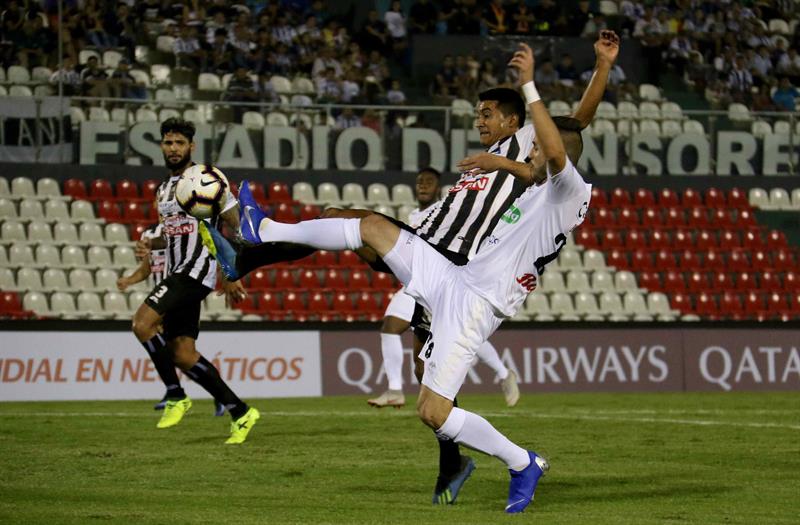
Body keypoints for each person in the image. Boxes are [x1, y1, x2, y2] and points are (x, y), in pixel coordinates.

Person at [200, 29, 619, 503]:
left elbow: (564, 141)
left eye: (537, 150)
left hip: (476, 301)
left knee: (433, 410)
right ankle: (263, 232)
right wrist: (597, 71)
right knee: (367, 225)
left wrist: (531, 84)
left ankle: (522, 463)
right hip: (452, 271)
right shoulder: (538, 179)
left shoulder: (568, 188)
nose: (533, 155)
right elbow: (543, 159)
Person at [131, 118, 259, 444]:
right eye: (168, 142)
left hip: (196, 270)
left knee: (142, 324)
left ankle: (175, 394)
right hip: (177, 270)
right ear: (161, 146)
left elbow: (232, 224)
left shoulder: (207, 178)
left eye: (179, 143)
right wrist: (150, 245)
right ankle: (240, 411)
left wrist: (231, 271)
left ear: (191, 146)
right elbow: (172, 234)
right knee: (183, 354)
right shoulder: (163, 189)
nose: (173, 148)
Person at [367, 168, 520, 410]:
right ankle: (395, 389)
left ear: (439, 188)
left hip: (438, 280)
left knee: (460, 333)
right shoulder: (414, 214)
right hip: (415, 281)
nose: (423, 185)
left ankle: (502, 374)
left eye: (429, 181)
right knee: (391, 328)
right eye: (420, 181)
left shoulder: (444, 210)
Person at [118, 223, 226, 417]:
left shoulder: (185, 229)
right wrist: (128, 280)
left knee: (179, 353)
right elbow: (146, 269)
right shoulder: (149, 233)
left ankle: (178, 392)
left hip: (180, 295)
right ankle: (200, 392)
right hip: (160, 298)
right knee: (178, 354)